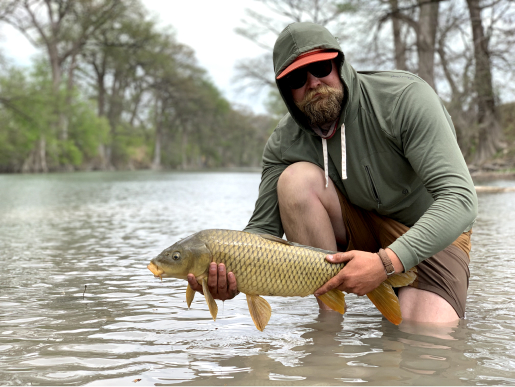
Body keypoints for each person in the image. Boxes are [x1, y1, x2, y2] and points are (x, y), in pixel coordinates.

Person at [188, 22, 477, 323]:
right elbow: (262, 232)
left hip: (426, 231)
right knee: (295, 181)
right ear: (287, 91)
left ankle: (399, 284)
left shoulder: (405, 99)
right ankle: (330, 321)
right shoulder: (283, 143)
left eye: (321, 67)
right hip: (355, 226)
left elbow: (461, 200)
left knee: (423, 334)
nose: (313, 83)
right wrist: (232, 273)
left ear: (339, 65)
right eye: (298, 77)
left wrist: (386, 263)